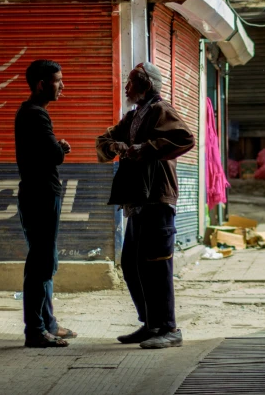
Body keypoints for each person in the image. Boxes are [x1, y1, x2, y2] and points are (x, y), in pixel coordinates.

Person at [96, 62, 195, 349]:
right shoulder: (134, 116)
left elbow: (185, 138)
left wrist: (145, 149)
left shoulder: (161, 110)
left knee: (157, 265)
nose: (126, 87)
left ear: (146, 85)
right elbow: (105, 139)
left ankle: (169, 328)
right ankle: (150, 323)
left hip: (158, 198)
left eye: (130, 82)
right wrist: (114, 146)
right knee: (131, 264)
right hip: (138, 199)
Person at [15, 60, 78, 348]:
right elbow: (53, 154)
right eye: (58, 80)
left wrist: (56, 147)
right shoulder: (36, 115)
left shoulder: (30, 113)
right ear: (42, 84)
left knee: (45, 260)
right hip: (41, 196)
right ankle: (36, 331)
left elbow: (47, 151)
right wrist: (60, 147)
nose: (62, 86)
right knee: (41, 263)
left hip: (37, 194)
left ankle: (48, 323)